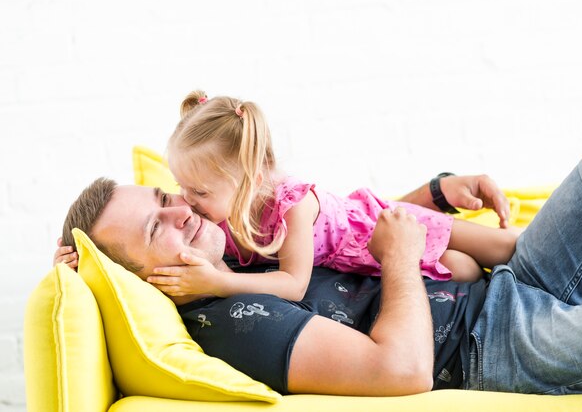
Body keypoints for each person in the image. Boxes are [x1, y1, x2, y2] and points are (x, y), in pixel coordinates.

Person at [54, 129, 582, 396]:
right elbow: (402, 372)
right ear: (137, 277)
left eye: (164, 198)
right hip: (495, 344)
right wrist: (402, 259)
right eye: (157, 226)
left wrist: (432, 194)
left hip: (512, 280)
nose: (181, 209)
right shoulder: (231, 326)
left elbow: (342, 231)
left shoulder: (230, 243)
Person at [146, 91, 519, 302]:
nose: (186, 200)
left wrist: (218, 281)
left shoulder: (293, 206)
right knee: (466, 270)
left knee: (507, 249)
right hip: (376, 262)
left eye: (199, 191)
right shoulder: (216, 219)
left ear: (250, 181)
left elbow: (294, 284)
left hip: (385, 224)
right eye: (180, 185)